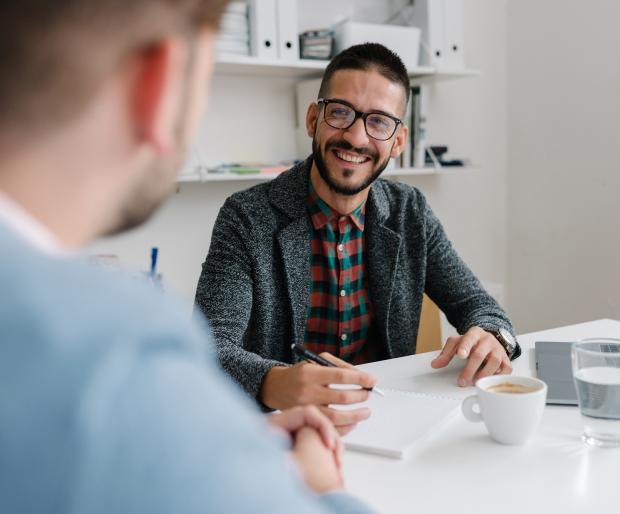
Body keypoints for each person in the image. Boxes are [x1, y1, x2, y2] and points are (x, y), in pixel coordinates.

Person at [0, 2, 373, 513]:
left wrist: (225, 441)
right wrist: (322, 485)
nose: (356, 136)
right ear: (158, 84)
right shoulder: (116, 353)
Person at [195, 43, 520, 434]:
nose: (355, 137)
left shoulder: (410, 211)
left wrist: (493, 336)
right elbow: (207, 348)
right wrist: (277, 381)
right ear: (313, 119)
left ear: (398, 141)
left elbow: (480, 307)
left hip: (386, 421)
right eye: (340, 112)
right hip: (285, 430)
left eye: (378, 122)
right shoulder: (247, 217)